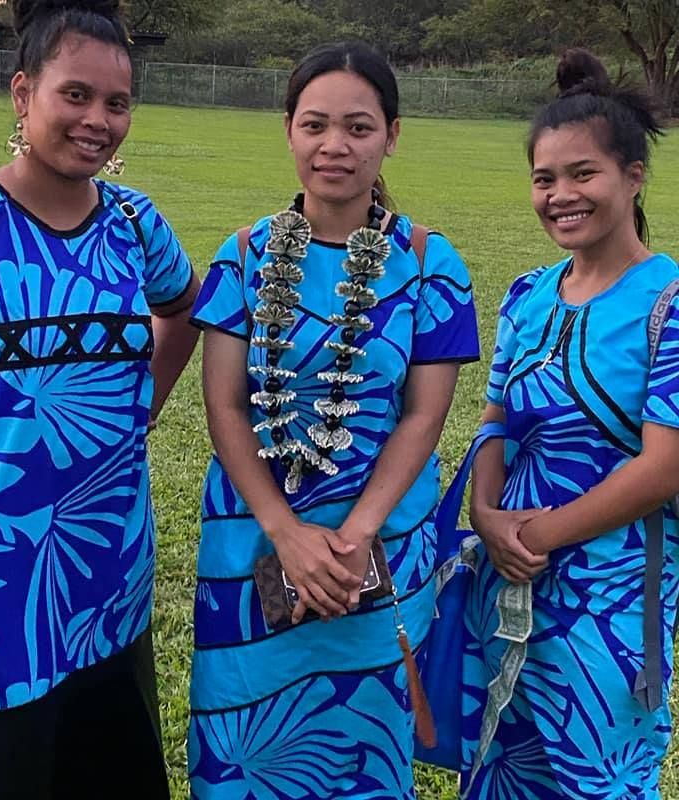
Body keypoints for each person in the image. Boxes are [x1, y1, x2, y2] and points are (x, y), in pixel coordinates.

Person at [187, 40, 480, 799]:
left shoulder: (429, 262)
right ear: (288, 129)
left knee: (366, 747)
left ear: (392, 134)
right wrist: (286, 533)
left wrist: (353, 539)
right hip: (252, 537)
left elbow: (424, 415)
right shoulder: (243, 255)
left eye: (358, 126)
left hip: (378, 546)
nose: (334, 146)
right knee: (244, 742)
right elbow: (222, 404)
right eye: (315, 125)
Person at [0, 0, 199, 799]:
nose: (98, 120)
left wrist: (137, 414)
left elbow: (183, 306)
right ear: (22, 94)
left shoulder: (135, 225)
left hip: (108, 568)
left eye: (118, 102)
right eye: (75, 95)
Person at [462, 49, 679, 799]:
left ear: (633, 175)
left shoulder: (669, 303)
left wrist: (537, 536)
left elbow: (664, 468)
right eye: (544, 179)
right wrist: (486, 516)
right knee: (503, 764)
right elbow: (494, 422)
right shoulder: (526, 295)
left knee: (599, 779)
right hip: (510, 582)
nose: (560, 195)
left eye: (582, 174)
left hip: (612, 600)